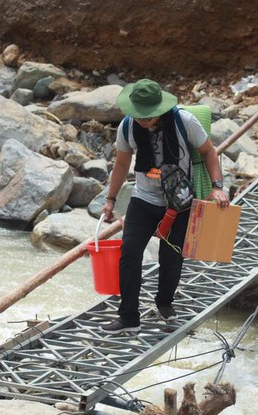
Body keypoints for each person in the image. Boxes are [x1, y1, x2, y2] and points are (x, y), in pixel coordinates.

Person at [99, 78, 229, 334]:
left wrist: (217, 186)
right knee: (129, 254)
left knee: (171, 257)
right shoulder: (127, 127)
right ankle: (128, 317)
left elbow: (209, 152)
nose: (143, 121)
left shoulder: (184, 122)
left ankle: (164, 301)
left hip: (179, 200)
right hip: (143, 198)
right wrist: (110, 199)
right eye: (139, 116)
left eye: (148, 116)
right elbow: (122, 163)